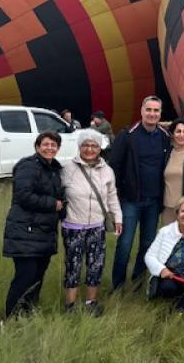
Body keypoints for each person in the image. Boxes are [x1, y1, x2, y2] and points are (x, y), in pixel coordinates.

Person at [109, 95, 170, 290]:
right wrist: (117, 196)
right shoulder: (127, 135)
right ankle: (117, 286)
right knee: (125, 245)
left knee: (147, 245)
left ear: (160, 113)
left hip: (153, 202)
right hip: (130, 201)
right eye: (149, 110)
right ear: (141, 111)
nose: (152, 114)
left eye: (156, 111)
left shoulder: (165, 137)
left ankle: (137, 283)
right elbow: (114, 167)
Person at [2, 131, 65, 318]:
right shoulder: (28, 166)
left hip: (44, 233)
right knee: (25, 277)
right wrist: (52, 204)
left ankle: (28, 313)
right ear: (37, 147)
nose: (49, 148)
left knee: (37, 276)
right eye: (45, 144)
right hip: (26, 231)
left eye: (54, 145)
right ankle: (12, 317)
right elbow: (23, 195)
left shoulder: (54, 169)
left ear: (58, 148)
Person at [60, 129, 122, 316]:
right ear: (79, 147)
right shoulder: (67, 169)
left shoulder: (107, 170)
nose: (89, 149)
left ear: (99, 148)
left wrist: (118, 218)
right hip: (73, 226)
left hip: (97, 226)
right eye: (85, 145)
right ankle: (70, 305)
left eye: (94, 145)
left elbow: (112, 196)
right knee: (73, 265)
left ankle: (91, 302)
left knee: (96, 265)